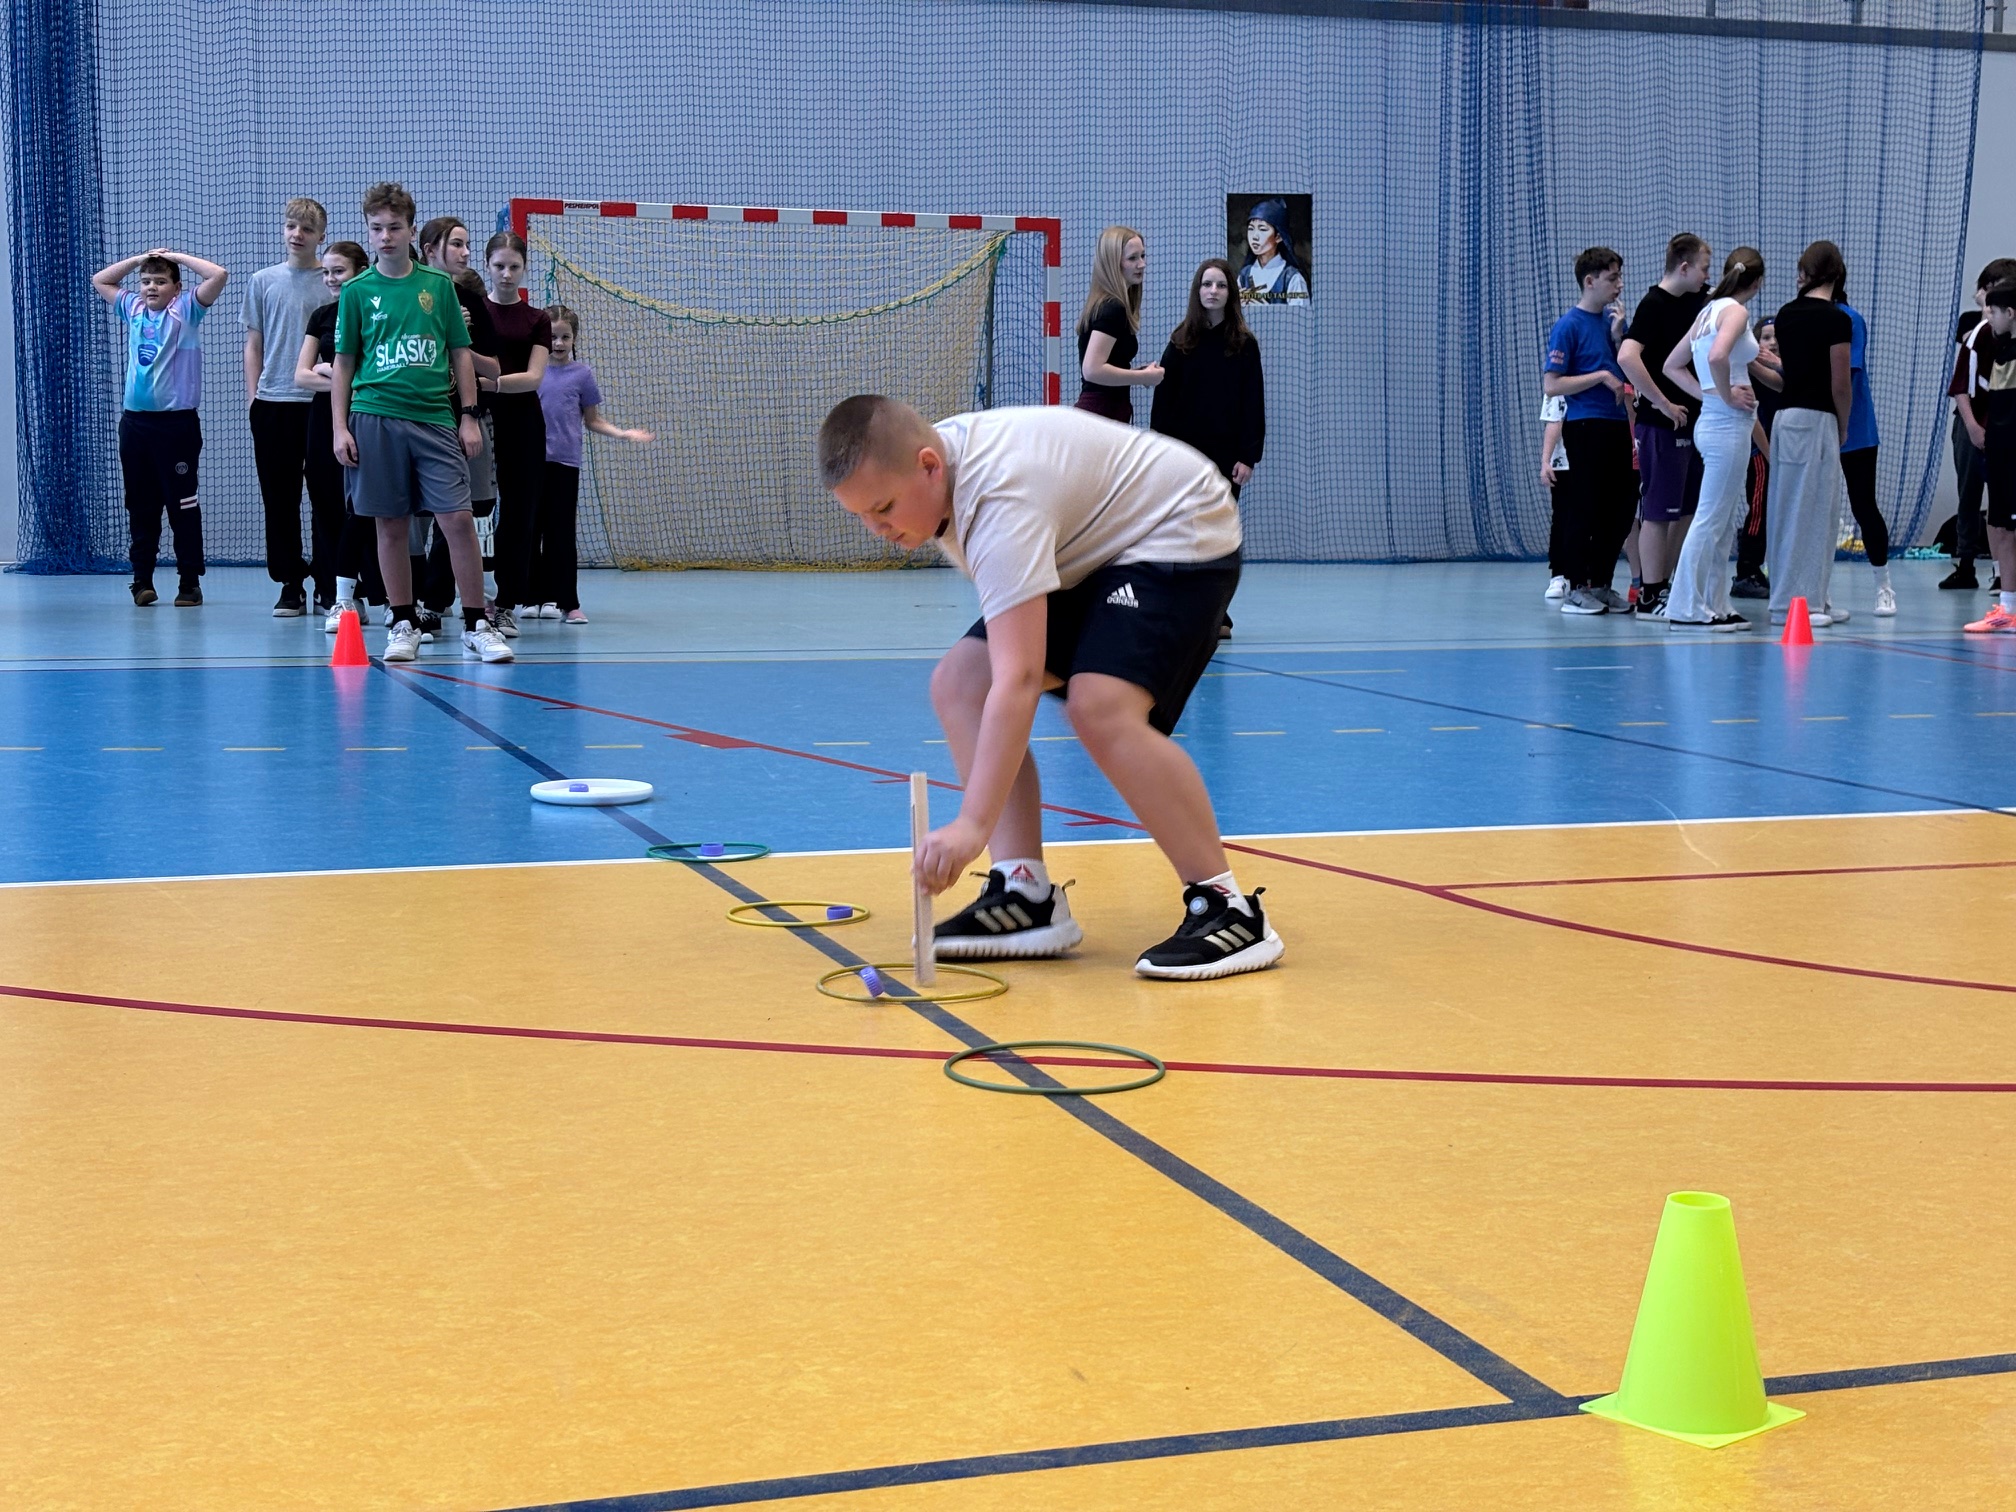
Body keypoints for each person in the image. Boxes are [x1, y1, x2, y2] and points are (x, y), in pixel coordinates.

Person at [818, 396, 1282, 981]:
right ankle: (1024, 892)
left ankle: (1228, 908)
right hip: (1094, 550)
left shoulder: (998, 502)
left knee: (1100, 706)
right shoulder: (939, 477)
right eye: (861, 515)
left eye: (883, 508)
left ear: (930, 466)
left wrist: (972, 825)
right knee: (960, 684)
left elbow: (1018, 678)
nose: (878, 529)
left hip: (1179, 527)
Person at [329, 182, 511, 664]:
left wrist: (468, 416)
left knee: (457, 519)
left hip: (435, 419)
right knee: (390, 524)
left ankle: (476, 623)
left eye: (394, 227)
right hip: (375, 418)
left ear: (412, 231)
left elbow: (460, 354)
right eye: (376, 228)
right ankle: (403, 621)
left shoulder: (439, 287)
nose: (385, 236)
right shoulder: (357, 292)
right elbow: (344, 365)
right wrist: (340, 428)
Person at [92, 248, 229, 607]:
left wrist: (177, 258)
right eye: (146, 281)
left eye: (160, 281)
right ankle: (142, 581)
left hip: (176, 427)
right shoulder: (134, 309)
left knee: (182, 505)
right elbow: (100, 280)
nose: (151, 287)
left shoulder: (186, 311)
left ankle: (189, 583)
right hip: (135, 425)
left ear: (176, 288)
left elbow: (218, 274)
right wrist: (140, 260)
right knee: (141, 505)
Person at [1150, 258, 1264, 638]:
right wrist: (1160, 454)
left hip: (1226, 459)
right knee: (1183, 533)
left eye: (1220, 285)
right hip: (1184, 458)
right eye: (1206, 284)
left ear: (1230, 294)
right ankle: (1180, 609)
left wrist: (1248, 456)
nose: (1213, 291)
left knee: (1218, 537)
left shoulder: (1244, 346)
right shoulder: (1180, 341)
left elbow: (1253, 403)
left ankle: (1217, 614)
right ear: (1197, 291)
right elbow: (1163, 405)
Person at [1661, 248, 1766, 632]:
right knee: (1709, 520)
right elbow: (1719, 357)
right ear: (1758, 282)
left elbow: (1671, 366)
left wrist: (1708, 395)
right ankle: (1685, 605)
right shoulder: (1734, 312)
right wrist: (1725, 395)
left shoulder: (1708, 311)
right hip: (1725, 429)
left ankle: (1716, 603)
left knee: (1719, 522)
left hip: (1716, 424)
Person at [411, 215, 501, 636]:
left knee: (464, 513)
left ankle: (440, 604)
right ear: (430, 250)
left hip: (462, 419)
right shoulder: (405, 293)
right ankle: (407, 606)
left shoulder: (471, 301)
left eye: (468, 245)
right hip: (416, 419)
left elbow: (494, 369)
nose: (467, 253)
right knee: (411, 518)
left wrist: (460, 338)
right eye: (457, 244)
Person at [535, 305, 652, 624]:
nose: (558, 343)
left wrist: (623, 433)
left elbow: (593, 420)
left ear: (574, 338)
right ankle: (534, 597)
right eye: (552, 337)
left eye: (565, 337)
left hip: (564, 463)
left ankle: (567, 602)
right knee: (530, 531)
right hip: (531, 463)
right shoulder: (532, 372)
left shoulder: (582, 375)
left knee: (561, 534)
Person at [1616, 234, 1711, 618]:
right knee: (1658, 512)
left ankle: (1667, 585)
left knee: (1685, 511)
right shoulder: (1654, 304)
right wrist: (1662, 402)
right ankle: (1649, 593)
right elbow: (1627, 356)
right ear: (1684, 267)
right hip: (1660, 426)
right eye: (1704, 268)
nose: (1707, 276)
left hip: (1695, 425)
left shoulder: (1698, 302)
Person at [292, 240, 384, 627]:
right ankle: (338, 594)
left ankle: (380, 592)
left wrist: (334, 374)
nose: (331, 279)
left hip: (370, 417)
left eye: (339, 271)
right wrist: (338, 380)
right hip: (325, 419)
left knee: (368, 506)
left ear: (361, 272)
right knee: (327, 503)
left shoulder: (377, 311)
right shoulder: (322, 316)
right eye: (326, 272)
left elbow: (379, 371)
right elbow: (302, 375)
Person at [1763, 242, 1855, 629]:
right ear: (1836, 274)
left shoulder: (1786, 314)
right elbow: (1840, 383)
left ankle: (1811, 596)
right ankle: (1798, 603)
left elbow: (1790, 372)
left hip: (1785, 418)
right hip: (1816, 420)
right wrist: (1843, 423)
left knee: (1788, 509)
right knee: (1814, 512)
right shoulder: (1836, 319)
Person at [1542, 248, 1634, 616]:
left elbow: (1629, 373)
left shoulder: (1613, 324)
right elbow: (1552, 385)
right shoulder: (1568, 326)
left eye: (1619, 277)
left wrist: (1618, 338)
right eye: (1612, 278)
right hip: (1585, 426)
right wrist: (1600, 376)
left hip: (1617, 425)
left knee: (1621, 508)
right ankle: (1576, 586)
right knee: (1584, 508)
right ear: (1590, 281)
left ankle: (1601, 583)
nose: (1619, 285)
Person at [480, 232, 552, 634]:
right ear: (487, 266)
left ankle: (506, 602)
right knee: (464, 510)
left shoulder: (537, 320)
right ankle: (440, 601)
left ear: (524, 268)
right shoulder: (472, 312)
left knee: (519, 513)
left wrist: (491, 384)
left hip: (523, 422)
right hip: (477, 418)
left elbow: (533, 377)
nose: (506, 274)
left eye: (514, 267)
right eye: (499, 266)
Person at [1944, 258, 2016, 591]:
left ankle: (2004, 577)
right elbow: (1961, 385)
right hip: (1976, 424)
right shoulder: (1978, 332)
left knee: (2001, 506)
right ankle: (1968, 563)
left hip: (2003, 433)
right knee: (1971, 494)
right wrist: (1973, 427)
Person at [1836, 272, 1894, 616]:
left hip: (1855, 430)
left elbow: (1847, 375)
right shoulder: (1806, 316)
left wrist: (1842, 424)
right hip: (1817, 427)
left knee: (1863, 505)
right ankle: (1813, 591)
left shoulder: (1850, 319)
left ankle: (1883, 586)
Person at [1961, 284, 2016, 633]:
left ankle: (2009, 609)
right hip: (2000, 455)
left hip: (2012, 456)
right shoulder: (2001, 350)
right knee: (2001, 529)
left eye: (1993, 312)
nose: (1988, 318)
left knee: (2009, 532)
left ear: (2010, 313)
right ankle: (2007, 608)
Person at [1076, 226, 1162, 422]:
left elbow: (1102, 367)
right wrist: (1144, 377)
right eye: (1132, 258)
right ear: (1113, 263)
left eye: (1142, 256)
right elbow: (1092, 370)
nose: (1142, 264)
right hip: (1100, 413)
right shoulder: (1113, 308)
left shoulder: (1108, 305)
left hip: (1106, 411)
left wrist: (1136, 373)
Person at [1733, 314, 1781, 598]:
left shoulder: (1783, 373)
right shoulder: (1750, 373)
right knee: (1759, 510)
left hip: (1783, 451)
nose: (1772, 343)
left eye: (1777, 337)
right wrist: (1767, 453)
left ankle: (1763, 567)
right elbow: (1753, 419)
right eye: (1766, 337)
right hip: (1760, 453)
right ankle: (1746, 571)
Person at [1236, 200, 1309, 305]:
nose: (1254, 236)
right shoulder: (1244, 275)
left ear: (1278, 237)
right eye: (1251, 229)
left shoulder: (1292, 278)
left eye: (1262, 229)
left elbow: (1302, 314)